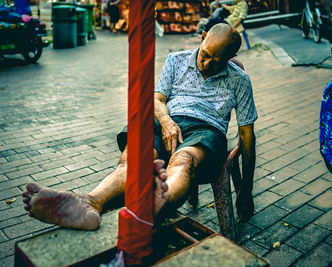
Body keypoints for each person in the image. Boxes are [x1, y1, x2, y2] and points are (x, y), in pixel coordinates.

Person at [22, 23, 257, 230]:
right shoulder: (176, 60)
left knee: (182, 162)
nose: (206, 64)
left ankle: (157, 204)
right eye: (205, 55)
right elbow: (156, 99)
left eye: (217, 62)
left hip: (204, 131)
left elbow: (247, 136)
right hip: (165, 120)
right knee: (133, 160)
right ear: (202, 36)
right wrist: (166, 122)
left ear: (230, 57)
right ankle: (89, 202)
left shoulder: (240, 80)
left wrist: (245, 191)